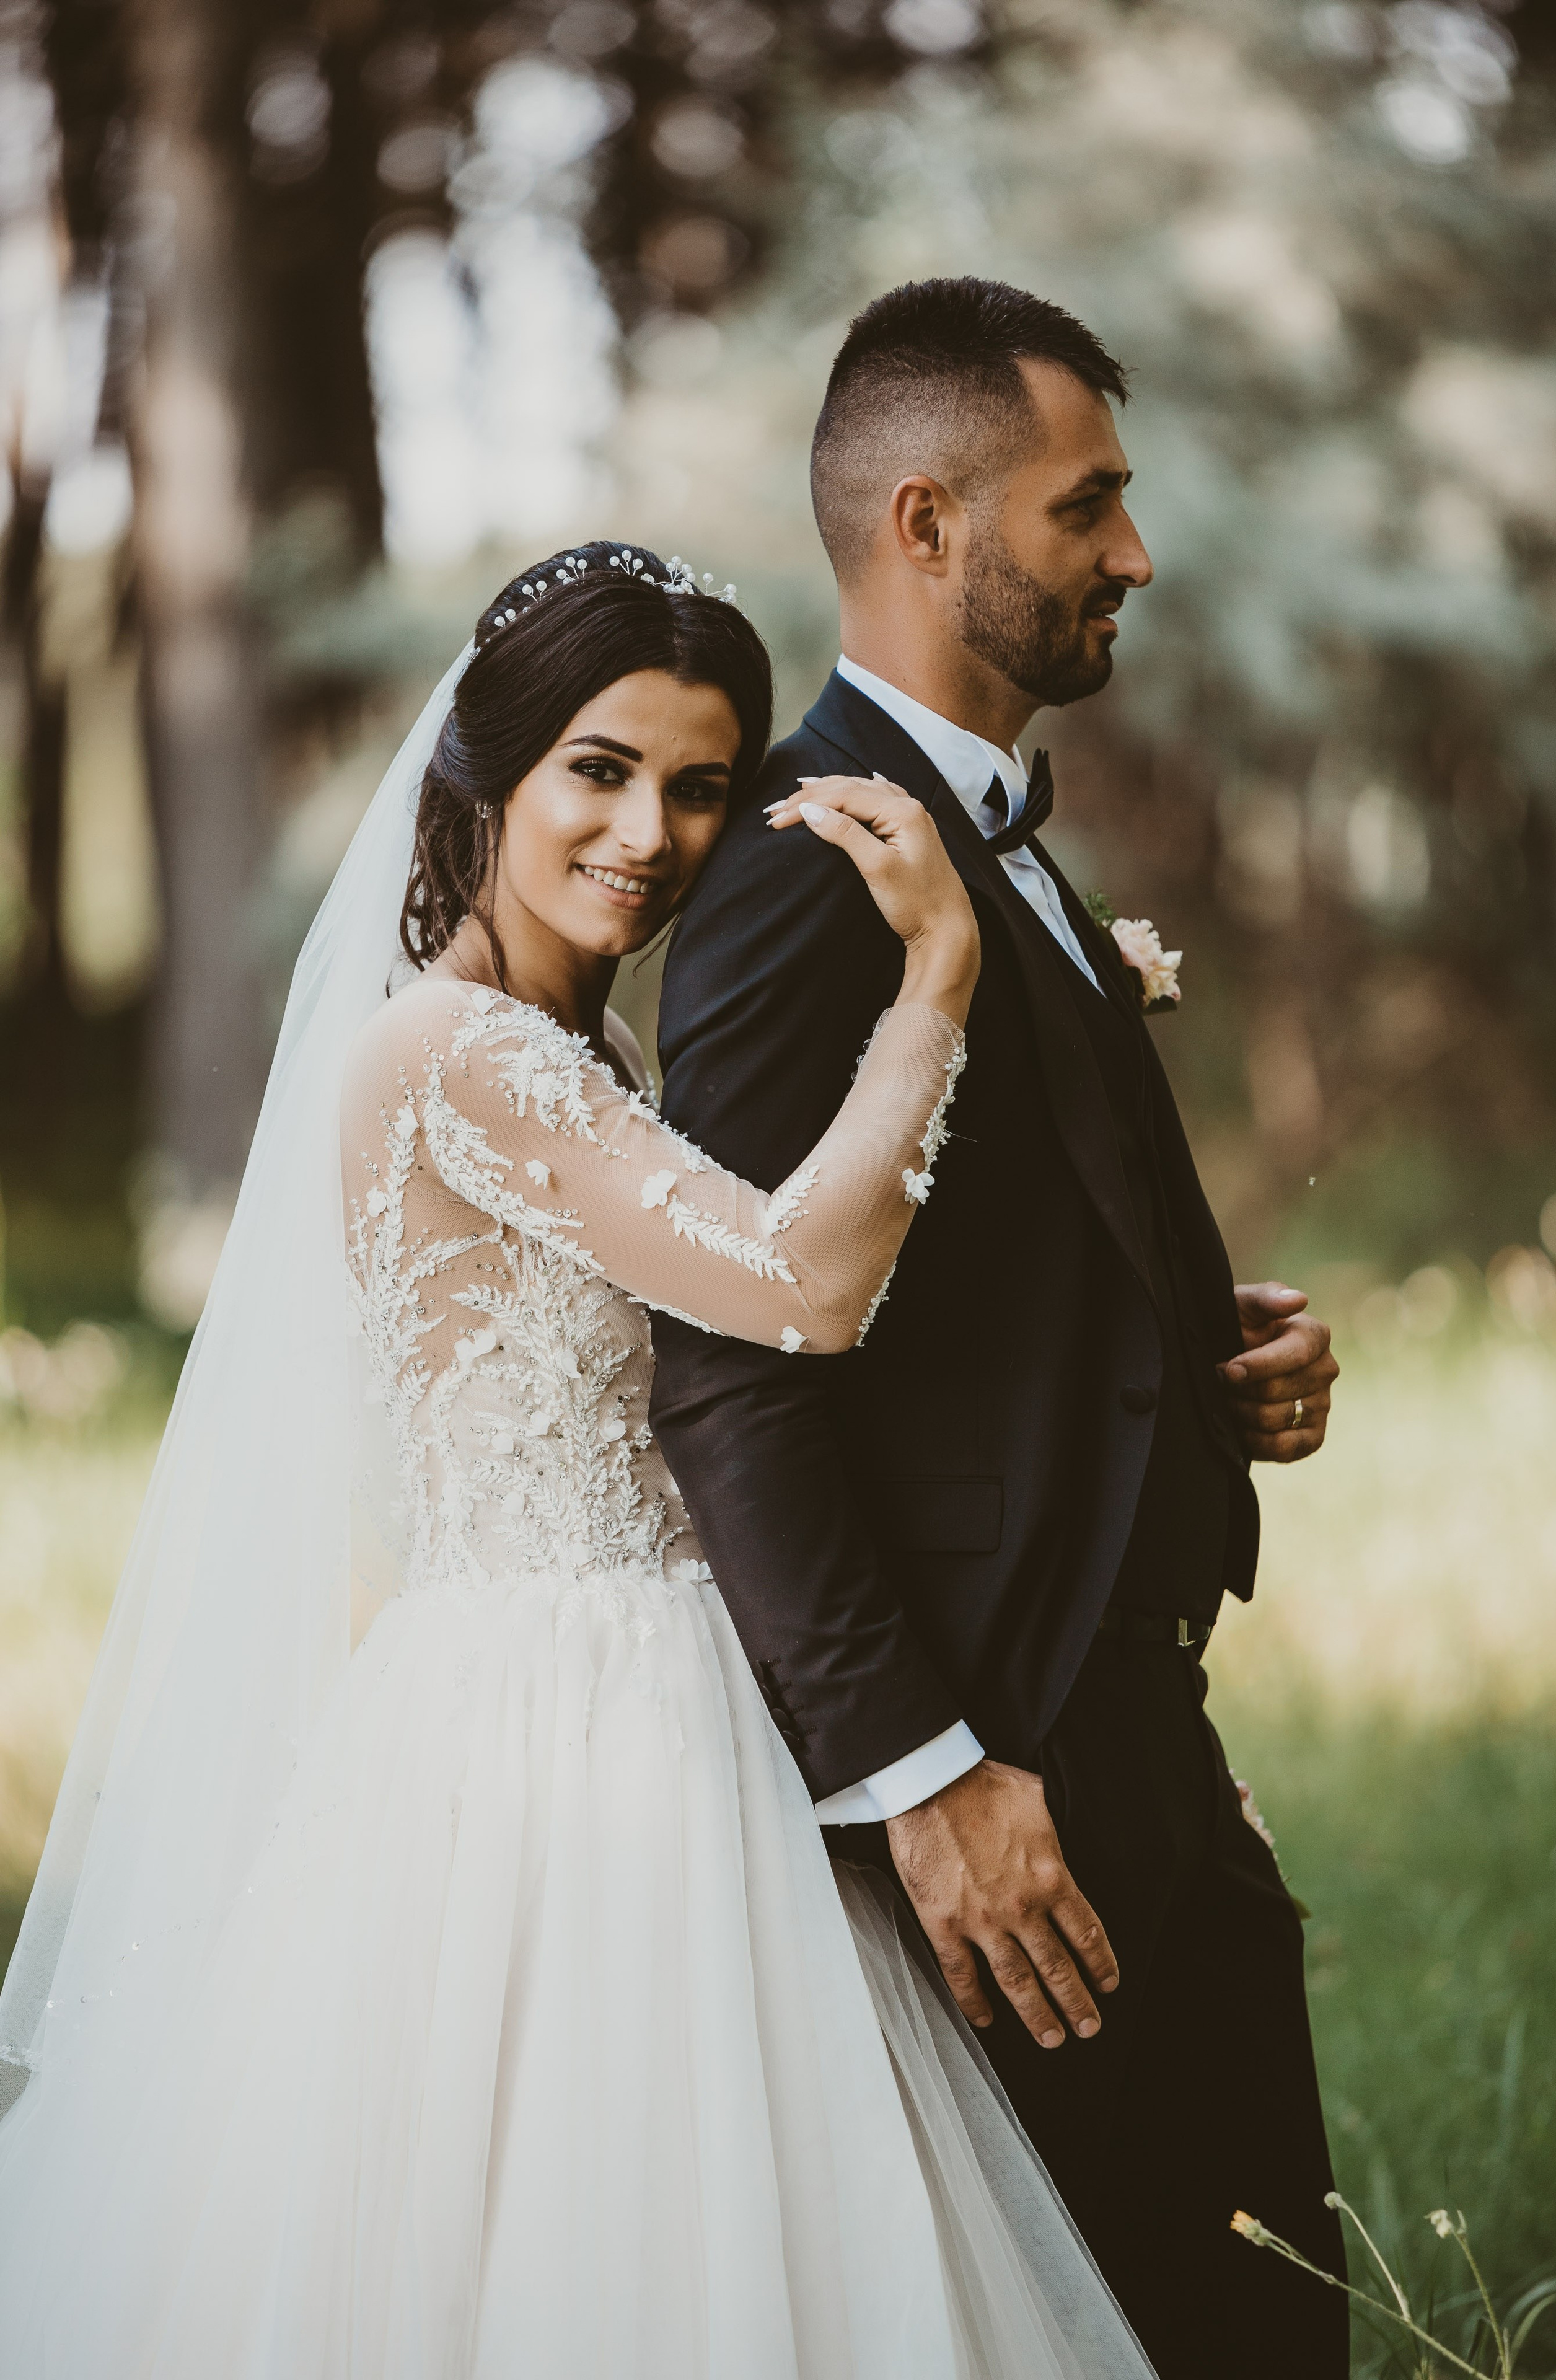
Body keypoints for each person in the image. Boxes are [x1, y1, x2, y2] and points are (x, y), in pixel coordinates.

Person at [0, 544, 1157, 2378]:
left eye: (703, 787)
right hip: (566, 1722)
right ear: (490, 768)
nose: (652, 832)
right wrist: (937, 977)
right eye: (600, 772)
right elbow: (803, 1282)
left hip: (658, 1679)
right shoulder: (461, 1055)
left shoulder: (581, 1049)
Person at [650, 281, 1352, 2379]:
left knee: (1248, 2302)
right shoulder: (813, 858)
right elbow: (728, 1359)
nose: (1134, 553)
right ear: (932, 522)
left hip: (1130, 1721)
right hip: (996, 1768)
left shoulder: (998, 833)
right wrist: (922, 1774)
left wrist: (1200, 1344)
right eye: (1090, 505)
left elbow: (954, 1254)